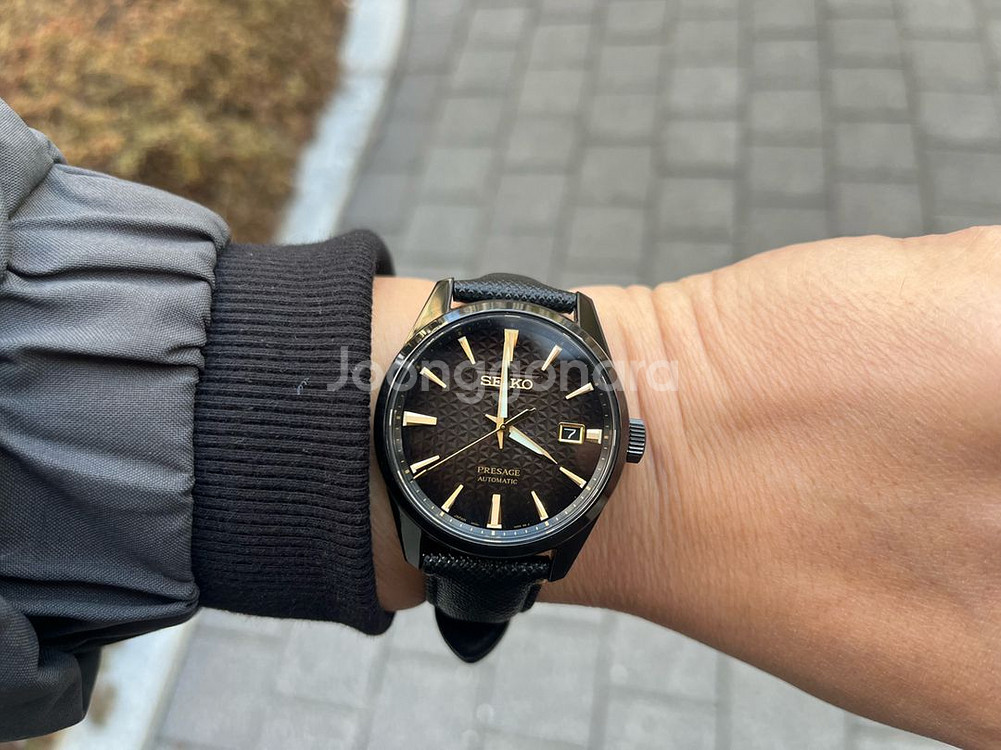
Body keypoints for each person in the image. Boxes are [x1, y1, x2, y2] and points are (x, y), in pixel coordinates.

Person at [1, 99, 998, 747]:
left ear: (621, 445)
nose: (508, 429)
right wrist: (688, 376)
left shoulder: (565, 461)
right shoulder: (503, 396)